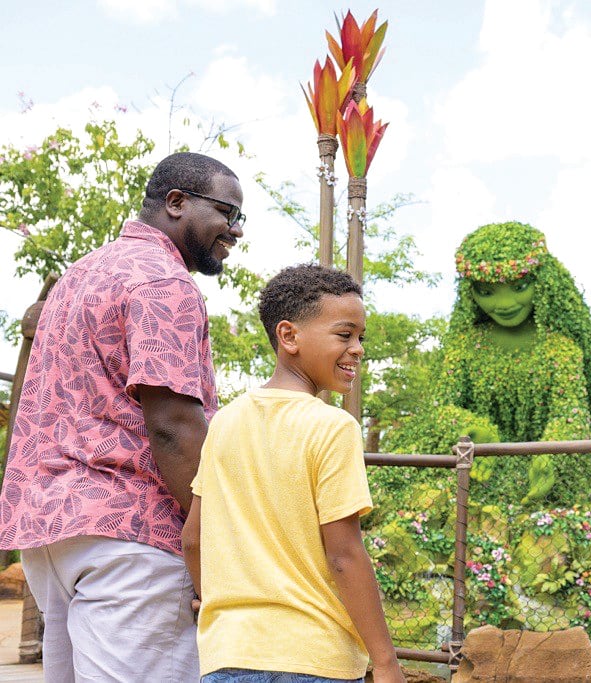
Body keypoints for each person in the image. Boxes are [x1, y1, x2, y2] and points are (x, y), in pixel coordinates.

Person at [0, 152, 244, 681]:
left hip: (49, 532)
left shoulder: (81, 274)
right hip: (131, 538)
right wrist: (221, 542)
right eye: (228, 211)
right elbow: (173, 427)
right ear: (176, 203)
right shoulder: (165, 283)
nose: (236, 230)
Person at [182, 264, 404, 683]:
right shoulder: (333, 427)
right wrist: (387, 661)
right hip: (314, 660)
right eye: (344, 334)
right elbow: (343, 555)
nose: (357, 348)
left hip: (228, 655)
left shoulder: (225, 423)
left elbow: (193, 539)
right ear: (289, 337)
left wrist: (219, 609)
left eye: (361, 337)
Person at [384, 221, 591, 504]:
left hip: (543, 482)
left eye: (519, 286)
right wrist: (479, 431)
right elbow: (440, 407)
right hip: (471, 470)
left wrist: (550, 455)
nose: (504, 303)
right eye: (487, 292)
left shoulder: (562, 350)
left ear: (543, 282)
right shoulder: (465, 346)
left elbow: (570, 414)